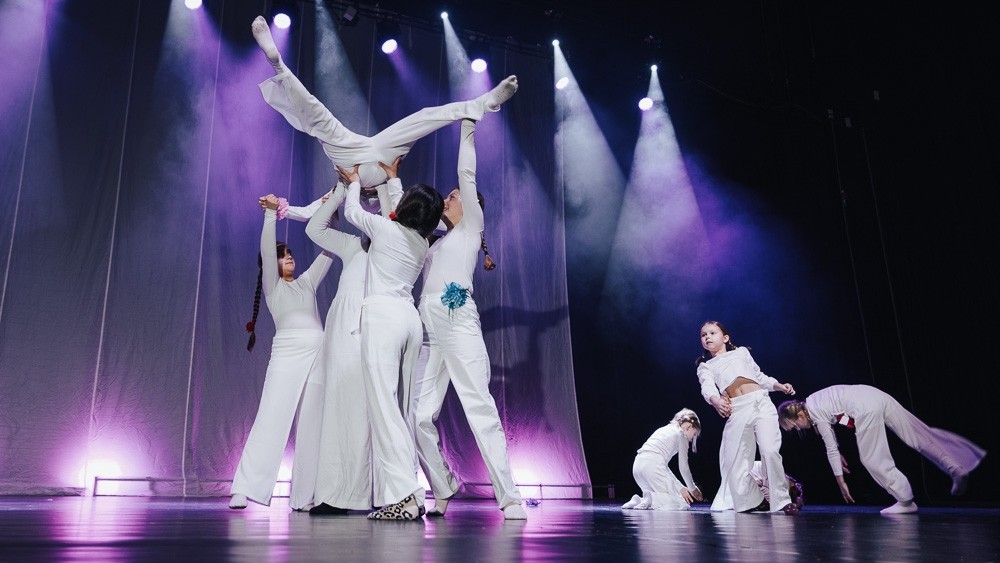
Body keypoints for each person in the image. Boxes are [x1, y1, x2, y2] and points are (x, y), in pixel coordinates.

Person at [250, 15, 517, 191]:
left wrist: (349, 186)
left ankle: (279, 65)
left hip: (356, 167)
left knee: (319, 117)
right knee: (422, 117)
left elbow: (319, 214)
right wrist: (391, 179)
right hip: (376, 167)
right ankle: (483, 103)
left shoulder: (349, 198)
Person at [410, 119, 526, 520]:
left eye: (454, 195)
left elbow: (466, 173)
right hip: (430, 329)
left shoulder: (470, 229)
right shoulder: (434, 243)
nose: (447, 198)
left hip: (458, 321)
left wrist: (467, 127)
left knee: (479, 406)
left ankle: (509, 497)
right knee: (418, 416)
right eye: (448, 195)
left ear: (471, 205)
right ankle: (443, 484)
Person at [342, 159, 444, 520]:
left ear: (406, 207)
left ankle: (405, 496)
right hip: (409, 321)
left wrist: (354, 181)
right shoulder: (421, 243)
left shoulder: (386, 230)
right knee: (399, 411)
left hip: (383, 318)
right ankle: (410, 494)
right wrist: (395, 178)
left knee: (385, 410)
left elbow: (352, 212)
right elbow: (401, 212)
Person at [230, 194, 334, 509]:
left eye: (289, 253)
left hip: (318, 353)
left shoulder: (307, 283)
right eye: (282, 255)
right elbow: (267, 248)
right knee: (271, 417)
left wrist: (331, 211)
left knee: (313, 423)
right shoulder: (274, 287)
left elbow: (330, 249)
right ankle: (244, 487)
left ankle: (305, 496)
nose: (288, 257)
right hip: (288, 353)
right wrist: (270, 215)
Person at [777, 384, 987, 514]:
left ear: (800, 415)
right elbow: (834, 428)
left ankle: (905, 501)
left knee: (871, 458)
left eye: (795, 426)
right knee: (917, 436)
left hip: (864, 407)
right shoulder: (814, 400)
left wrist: (841, 482)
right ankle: (955, 467)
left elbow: (829, 447)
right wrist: (839, 453)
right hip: (876, 395)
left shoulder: (815, 412)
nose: (798, 429)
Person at [695, 320, 799, 514]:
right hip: (737, 409)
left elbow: (759, 376)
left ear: (725, 338)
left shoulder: (741, 352)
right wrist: (715, 401)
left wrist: (779, 385)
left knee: (770, 451)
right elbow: (707, 387)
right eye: (703, 335)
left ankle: (782, 501)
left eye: (712, 333)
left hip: (761, 402)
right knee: (733, 460)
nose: (707, 337)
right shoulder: (705, 366)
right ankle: (754, 501)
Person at [621, 408, 703, 511]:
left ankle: (639, 500)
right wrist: (692, 488)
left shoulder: (664, 429)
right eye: (694, 434)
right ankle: (650, 498)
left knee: (663, 497)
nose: (692, 439)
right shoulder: (681, 435)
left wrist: (680, 488)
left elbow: (663, 467)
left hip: (638, 466)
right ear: (689, 426)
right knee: (680, 504)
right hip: (652, 466)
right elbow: (684, 468)